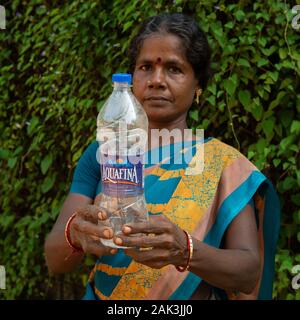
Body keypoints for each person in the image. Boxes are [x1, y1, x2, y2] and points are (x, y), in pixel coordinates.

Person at [44, 13, 280, 300]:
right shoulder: (103, 152)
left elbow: (247, 273)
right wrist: (75, 234)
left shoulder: (224, 164)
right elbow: (56, 260)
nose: (156, 80)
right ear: (131, 79)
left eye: (174, 69)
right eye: (145, 67)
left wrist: (186, 249)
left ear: (198, 87)